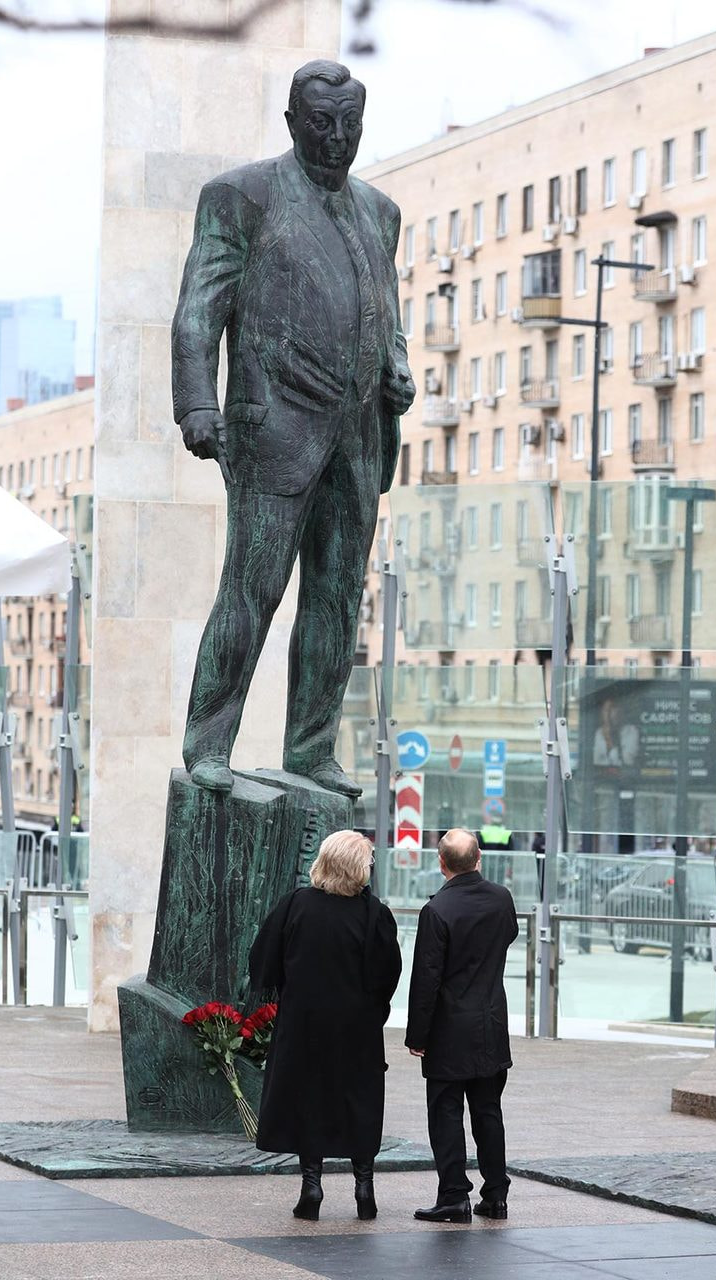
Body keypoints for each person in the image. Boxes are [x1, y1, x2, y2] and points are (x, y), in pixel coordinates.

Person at [172, 58, 416, 798]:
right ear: (291, 122)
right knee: (252, 589)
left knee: (337, 598)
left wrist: (397, 366)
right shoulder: (240, 196)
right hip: (271, 426)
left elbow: (384, 309)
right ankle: (207, 743)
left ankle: (311, 750)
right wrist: (197, 405)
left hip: (358, 433)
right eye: (322, 123)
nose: (338, 138)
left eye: (351, 124)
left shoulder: (380, 212)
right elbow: (197, 311)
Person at [249, 830, 401, 1221]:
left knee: (309, 1099)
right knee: (360, 1102)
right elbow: (389, 973)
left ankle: (311, 1186)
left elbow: (263, 956)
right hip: (358, 1029)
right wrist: (373, 1009)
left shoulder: (297, 905)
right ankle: (364, 1188)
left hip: (305, 1025)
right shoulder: (374, 914)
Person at [406, 828, 519, 1224]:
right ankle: (496, 1194)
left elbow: (426, 980)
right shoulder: (502, 899)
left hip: (449, 1031)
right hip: (490, 1024)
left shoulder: (437, 910)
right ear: (479, 858)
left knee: (446, 1113)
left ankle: (454, 1194)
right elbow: (508, 936)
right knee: (488, 1110)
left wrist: (417, 1036)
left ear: (441, 864)